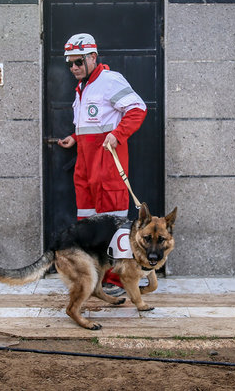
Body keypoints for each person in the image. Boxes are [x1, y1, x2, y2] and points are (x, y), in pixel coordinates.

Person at [57, 33, 147, 291]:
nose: (73, 68)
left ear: (92, 57)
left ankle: (117, 280)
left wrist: (118, 135)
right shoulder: (82, 88)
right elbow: (91, 125)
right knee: (88, 226)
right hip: (85, 170)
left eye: (78, 62)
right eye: (70, 63)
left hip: (108, 168)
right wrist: (75, 138)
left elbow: (138, 109)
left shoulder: (110, 81)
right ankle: (93, 277)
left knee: (113, 225)